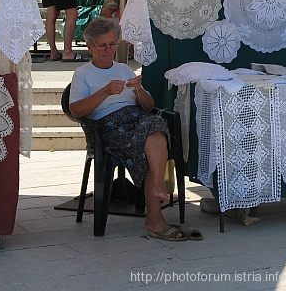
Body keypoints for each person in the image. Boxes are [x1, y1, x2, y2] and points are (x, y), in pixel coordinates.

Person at [68, 17, 196, 242]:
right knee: (153, 133)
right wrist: (105, 92)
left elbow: (148, 106)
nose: (109, 50)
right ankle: (156, 211)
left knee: (155, 125)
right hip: (108, 128)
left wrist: (138, 91)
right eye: (103, 45)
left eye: (112, 44)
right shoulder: (83, 74)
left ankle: (156, 197)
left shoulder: (124, 69)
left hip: (137, 121)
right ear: (90, 47)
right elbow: (76, 110)